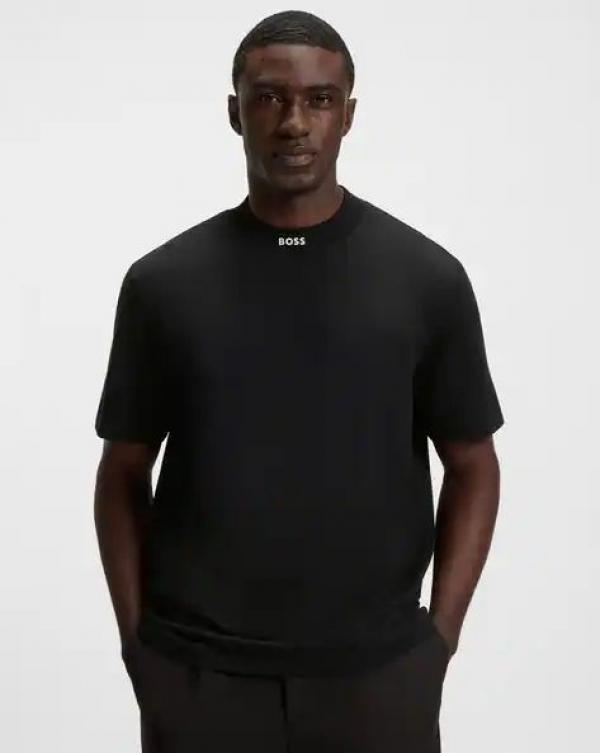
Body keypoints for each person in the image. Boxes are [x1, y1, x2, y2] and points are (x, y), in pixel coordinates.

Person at [93, 10, 504, 753]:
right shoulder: (163, 285)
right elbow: (122, 469)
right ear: (234, 112)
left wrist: (435, 644)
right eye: (270, 98)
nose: (294, 123)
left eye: (319, 100)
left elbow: (474, 462)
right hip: (199, 680)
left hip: (378, 682)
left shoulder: (427, 280)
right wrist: (139, 647)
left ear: (349, 115)